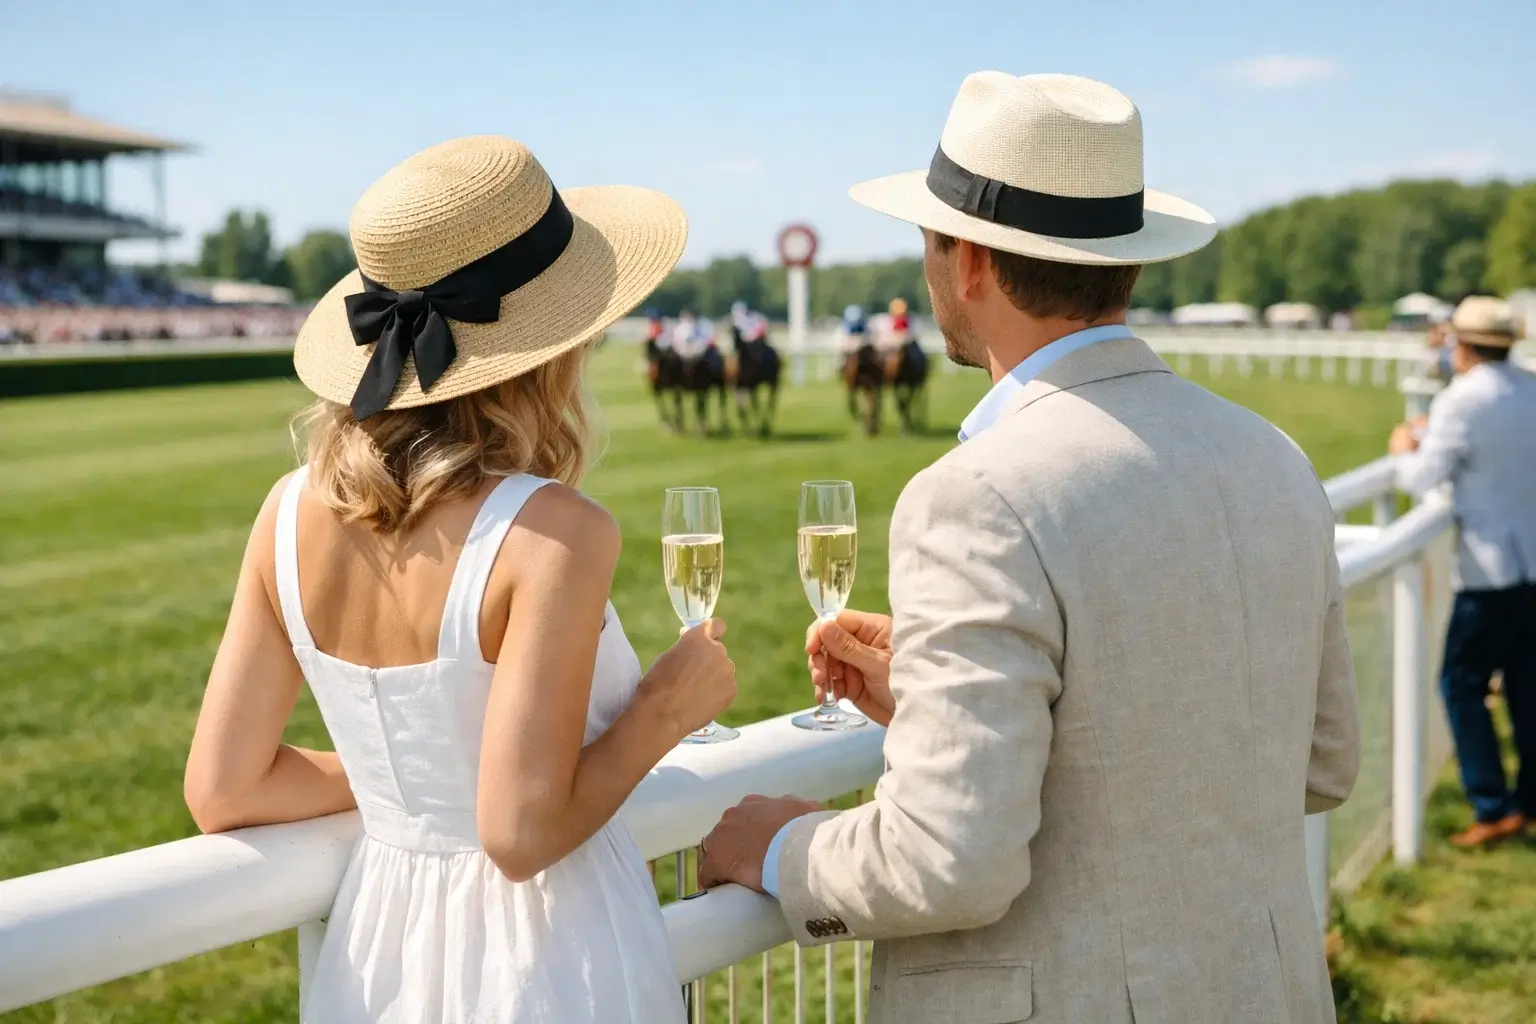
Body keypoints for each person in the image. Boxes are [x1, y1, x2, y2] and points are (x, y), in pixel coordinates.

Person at [700, 72, 1360, 1023]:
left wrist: (778, 849)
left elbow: (948, 865)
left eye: (928, 241)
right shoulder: (1271, 455)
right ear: (1127, 259)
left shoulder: (975, 496)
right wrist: (947, 701)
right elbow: (1320, 760)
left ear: (968, 259)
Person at [183, 136, 736, 1022]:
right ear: (551, 345)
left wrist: (415, 780)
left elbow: (225, 789)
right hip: (556, 957)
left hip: (378, 951)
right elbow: (520, 837)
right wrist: (670, 706)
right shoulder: (554, 530)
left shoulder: (283, 516)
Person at [1389, 295, 1536, 847]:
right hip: (1532, 567)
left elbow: (1423, 479)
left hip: (1488, 572)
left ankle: (1491, 806)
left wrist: (1405, 447)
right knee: (1526, 689)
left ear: (1464, 345)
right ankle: (1527, 801)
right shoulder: (1529, 388)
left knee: (1460, 684)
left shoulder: (1462, 399)